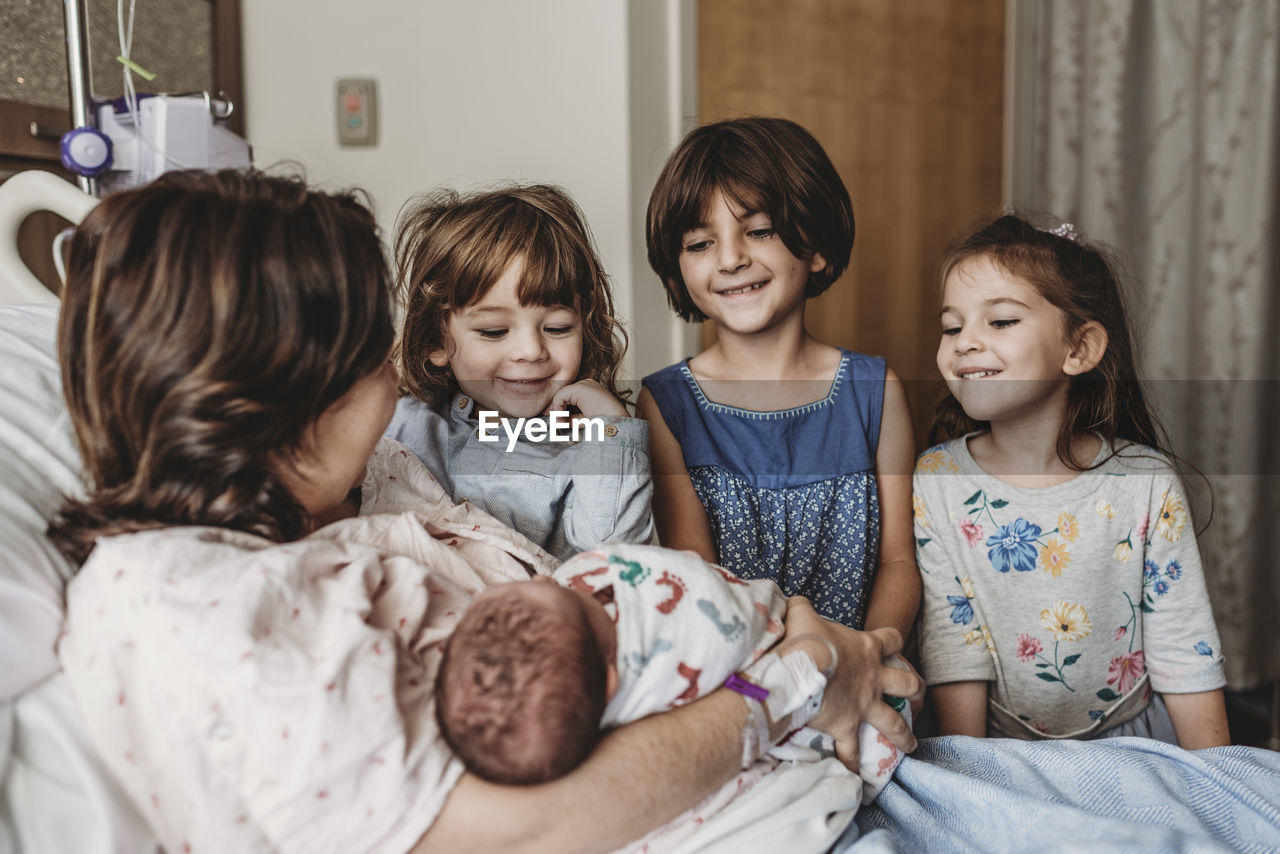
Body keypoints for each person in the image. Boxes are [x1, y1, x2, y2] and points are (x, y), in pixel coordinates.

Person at [46, 169, 921, 854]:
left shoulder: (369, 486)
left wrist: (795, 639)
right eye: (369, 349)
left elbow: (604, 588)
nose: (394, 371)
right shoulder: (185, 610)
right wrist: (795, 680)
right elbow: (518, 829)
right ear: (284, 385)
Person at [913, 214, 1229, 747]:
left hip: (1136, 739)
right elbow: (953, 641)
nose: (965, 343)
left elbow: (1182, 643)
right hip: (997, 745)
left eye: (1001, 322)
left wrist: (1220, 785)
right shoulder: (937, 478)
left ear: (1079, 349)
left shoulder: (1146, 481)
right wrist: (971, 780)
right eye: (952, 326)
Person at [639, 116, 920, 642]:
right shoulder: (663, 404)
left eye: (760, 231)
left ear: (814, 246)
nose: (730, 259)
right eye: (699, 243)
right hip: (735, 670)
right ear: (678, 269)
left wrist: (870, 653)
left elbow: (899, 561)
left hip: (862, 668)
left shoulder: (876, 390)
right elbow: (695, 570)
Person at [435, 542, 911, 804]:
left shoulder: (548, 693)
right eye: (573, 597)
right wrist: (810, 654)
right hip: (826, 731)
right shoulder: (647, 672)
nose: (548, 577)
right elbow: (738, 634)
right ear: (610, 681)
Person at [386, 185, 651, 561]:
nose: (530, 351)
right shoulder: (401, 426)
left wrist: (611, 428)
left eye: (558, 328)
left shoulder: (588, 450)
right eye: (494, 331)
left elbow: (616, 562)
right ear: (436, 341)